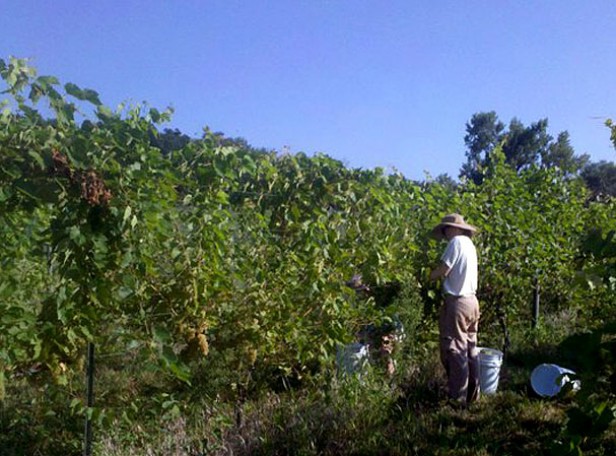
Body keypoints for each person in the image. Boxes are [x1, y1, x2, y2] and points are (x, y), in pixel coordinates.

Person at [429, 213, 480, 405]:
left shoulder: (456, 242)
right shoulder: (469, 244)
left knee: (456, 350)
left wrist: (429, 276)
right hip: (472, 302)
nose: (445, 233)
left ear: (455, 228)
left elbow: (445, 269)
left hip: (457, 302)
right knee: (471, 348)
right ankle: (473, 396)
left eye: (446, 229)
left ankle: (458, 399)